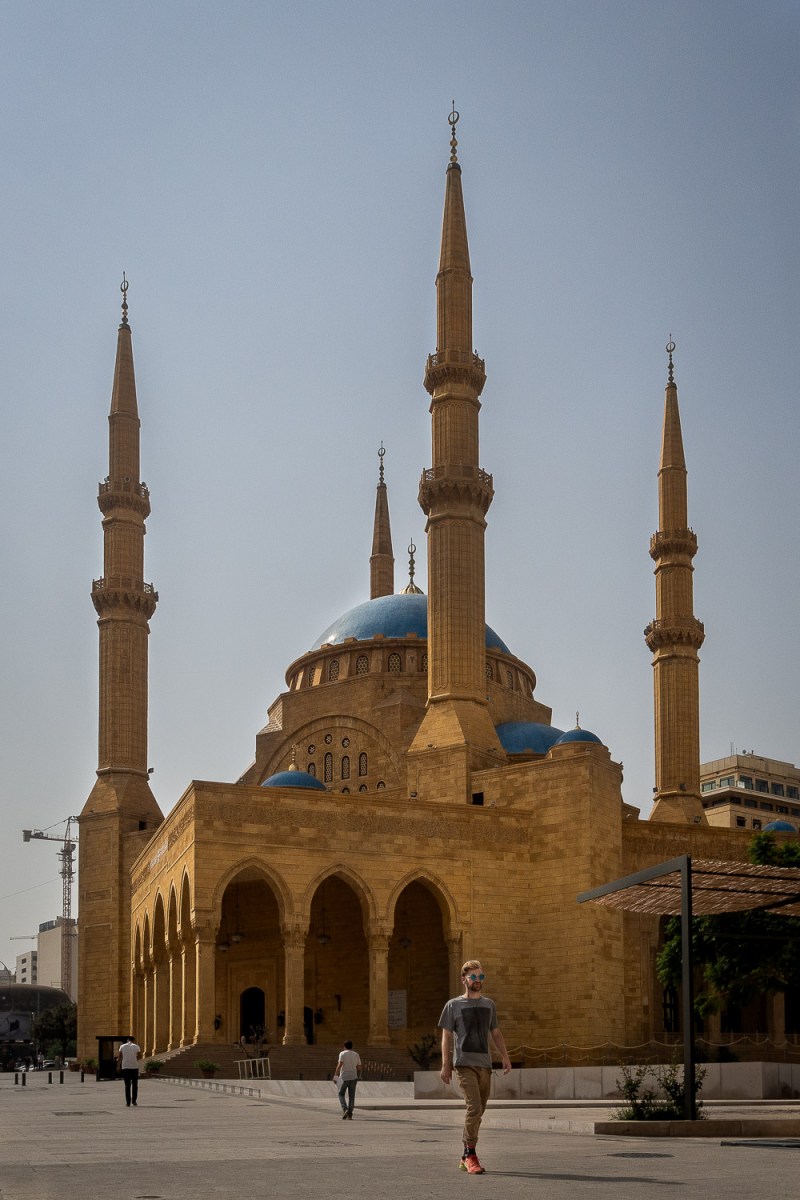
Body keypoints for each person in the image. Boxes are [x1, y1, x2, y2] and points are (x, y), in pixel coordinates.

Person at [438, 959, 512, 1175]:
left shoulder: (489, 1005)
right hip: (463, 1064)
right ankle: (471, 1154)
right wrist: (446, 1064)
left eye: (481, 977)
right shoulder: (453, 1005)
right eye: (474, 977)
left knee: (480, 1110)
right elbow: (446, 1035)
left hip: (485, 1065)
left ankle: (464, 1154)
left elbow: (495, 1033)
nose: (478, 981)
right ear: (464, 980)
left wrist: (505, 1057)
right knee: (474, 1107)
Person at [333, 1039, 362, 1119]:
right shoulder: (356, 1054)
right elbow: (359, 1067)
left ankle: (345, 1108)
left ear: (344, 1047)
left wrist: (335, 1076)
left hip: (344, 1077)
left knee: (341, 1094)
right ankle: (350, 1114)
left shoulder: (342, 1053)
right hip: (353, 1077)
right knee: (351, 1096)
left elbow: (340, 1065)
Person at [116, 1036, 142, 1107]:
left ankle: (128, 1102)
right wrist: (133, 1058)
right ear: (133, 1040)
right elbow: (140, 1056)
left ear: (127, 1040)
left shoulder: (122, 1046)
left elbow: (120, 1057)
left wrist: (118, 1066)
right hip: (134, 1067)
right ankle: (134, 1101)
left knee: (127, 1085)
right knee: (135, 1085)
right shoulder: (136, 1046)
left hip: (125, 1067)